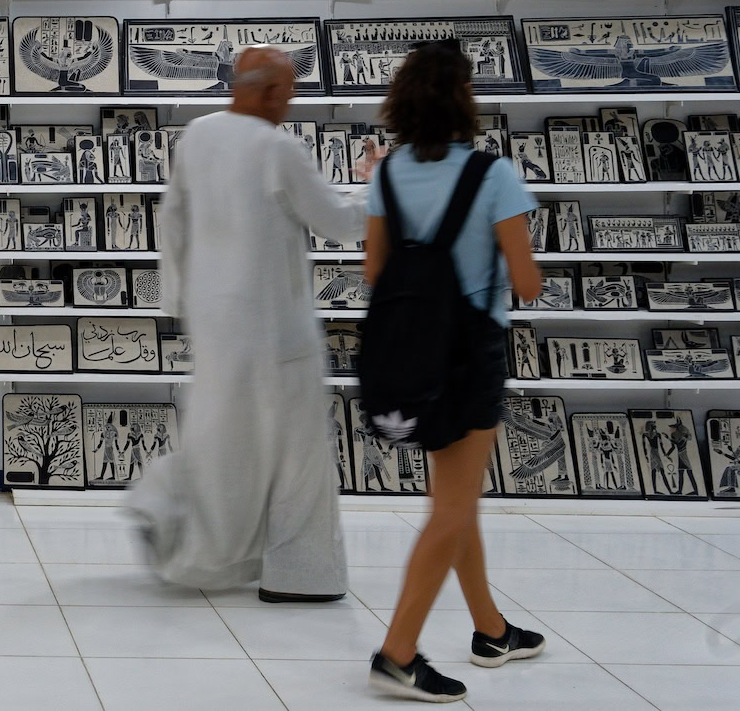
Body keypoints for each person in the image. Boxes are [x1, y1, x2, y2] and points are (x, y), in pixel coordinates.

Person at [128, 46, 367, 601]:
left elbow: (174, 222)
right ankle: (301, 574)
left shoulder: (200, 136)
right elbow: (337, 221)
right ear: (264, 91)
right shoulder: (276, 148)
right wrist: (380, 189)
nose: (294, 98)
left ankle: (168, 515)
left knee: (223, 445)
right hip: (275, 330)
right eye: (288, 89)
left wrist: (180, 304)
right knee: (297, 454)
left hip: (215, 323)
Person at [365, 41, 545, 703]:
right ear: (464, 97)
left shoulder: (385, 175)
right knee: (452, 507)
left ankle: (491, 629)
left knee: (453, 499)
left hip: (412, 353)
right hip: (472, 352)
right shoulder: (494, 175)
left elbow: (375, 272)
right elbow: (526, 283)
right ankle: (398, 648)